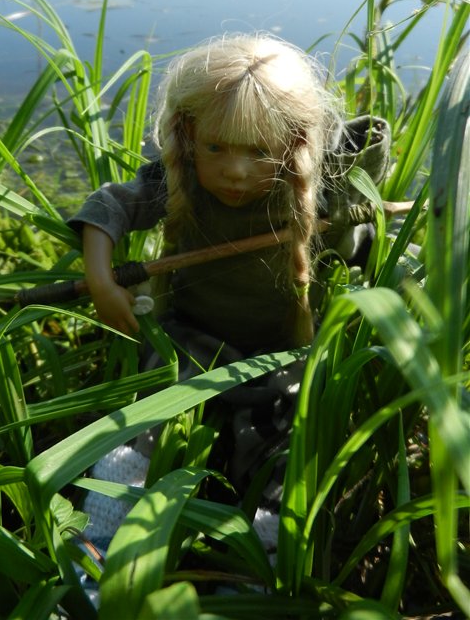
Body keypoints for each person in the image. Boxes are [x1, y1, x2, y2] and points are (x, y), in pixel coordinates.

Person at [69, 33, 390, 548]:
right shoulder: (184, 182)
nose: (235, 171)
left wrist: (360, 155)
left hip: (277, 352)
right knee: (139, 430)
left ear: (293, 145)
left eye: (259, 151)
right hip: (190, 337)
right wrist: (102, 281)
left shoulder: (305, 193)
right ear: (189, 133)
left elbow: (360, 211)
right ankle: (98, 547)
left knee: (278, 448)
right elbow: (110, 207)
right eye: (216, 147)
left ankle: (254, 568)